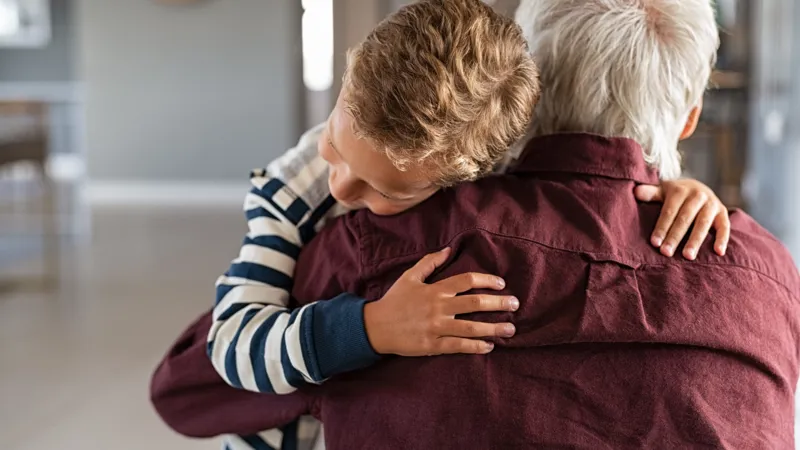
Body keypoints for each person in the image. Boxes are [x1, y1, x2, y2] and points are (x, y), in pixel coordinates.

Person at [149, 0, 793, 448]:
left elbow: (183, 393)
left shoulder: (386, 249)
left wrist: (363, 328)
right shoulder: (766, 273)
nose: (345, 187)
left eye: (385, 186)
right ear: (688, 120)